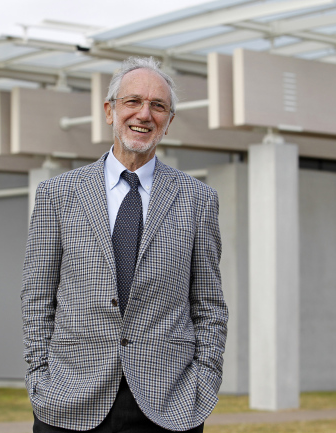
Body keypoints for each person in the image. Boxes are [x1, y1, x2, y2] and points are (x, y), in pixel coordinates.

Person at [21, 56, 228, 433]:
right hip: (69, 400)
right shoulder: (57, 195)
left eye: (158, 106)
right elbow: (37, 293)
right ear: (109, 111)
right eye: (133, 101)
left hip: (169, 404)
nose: (144, 114)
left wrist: (204, 381)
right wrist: (39, 375)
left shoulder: (199, 200)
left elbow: (209, 305)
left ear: (169, 122)